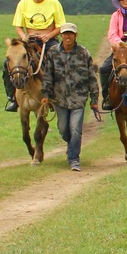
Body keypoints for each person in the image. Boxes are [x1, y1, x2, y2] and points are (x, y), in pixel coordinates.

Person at [40, 22, 102, 171]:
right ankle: (72, 145)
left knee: (75, 129)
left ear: (75, 36)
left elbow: (91, 77)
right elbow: (48, 75)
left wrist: (94, 100)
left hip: (78, 99)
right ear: (61, 35)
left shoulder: (83, 53)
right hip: (60, 98)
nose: (68, 36)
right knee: (63, 129)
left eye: (71, 34)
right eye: (65, 34)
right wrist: (45, 94)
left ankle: (74, 159)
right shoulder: (53, 52)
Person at [3, 0, 66, 111]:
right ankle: (13, 98)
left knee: (59, 61)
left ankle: (57, 95)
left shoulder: (54, 2)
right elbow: (18, 26)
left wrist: (48, 36)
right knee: (8, 63)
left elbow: (61, 26)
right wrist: (24, 37)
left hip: (49, 39)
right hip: (28, 40)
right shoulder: (23, 3)